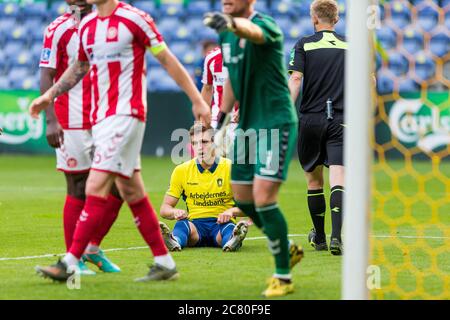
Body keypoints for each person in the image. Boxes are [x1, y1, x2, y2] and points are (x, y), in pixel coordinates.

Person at [30, 0, 211, 283]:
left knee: (94, 184)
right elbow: (79, 66)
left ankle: (70, 262)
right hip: (100, 118)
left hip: (127, 114)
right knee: (131, 189)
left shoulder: (135, 18)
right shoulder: (88, 26)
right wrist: (49, 95)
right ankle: (164, 262)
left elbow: (167, 60)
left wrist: (197, 99)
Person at [204, 0, 303, 298]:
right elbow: (232, 79)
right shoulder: (226, 36)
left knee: (263, 197)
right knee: (243, 198)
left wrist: (232, 24)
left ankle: (283, 277)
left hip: (275, 121)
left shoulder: (265, 25)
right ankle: (286, 247)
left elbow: (254, 34)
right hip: (247, 125)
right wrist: (218, 119)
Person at [40, 0, 122, 275]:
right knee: (78, 186)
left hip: (104, 117)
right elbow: (46, 73)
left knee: (119, 187)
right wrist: (50, 119)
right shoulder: (58, 29)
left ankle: (91, 249)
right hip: (71, 120)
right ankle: (73, 262)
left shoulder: (107, 24)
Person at [288, 0, 346, 255]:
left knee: (314, 181)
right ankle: (337, 238)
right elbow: (370, 80)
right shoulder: (351, 44)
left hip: (311, 119)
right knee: (338, 180)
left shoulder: (304, 43)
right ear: (336, 20)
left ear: (314, 19)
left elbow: (296, 78)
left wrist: (285, 110)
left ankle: (320, 238)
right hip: (342, 120)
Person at [159, 124, 248, 252]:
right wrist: (174, 212)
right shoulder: (181, 170)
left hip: (221, 224)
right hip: (195, 227)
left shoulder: (231, 168)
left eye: (204, 142)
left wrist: (231, 212)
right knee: (181, 226)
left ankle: (233, 239)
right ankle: (174, 241)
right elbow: (164, 209)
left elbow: (249, 208)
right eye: (195, 143)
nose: (199, 148)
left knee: (228, 229)